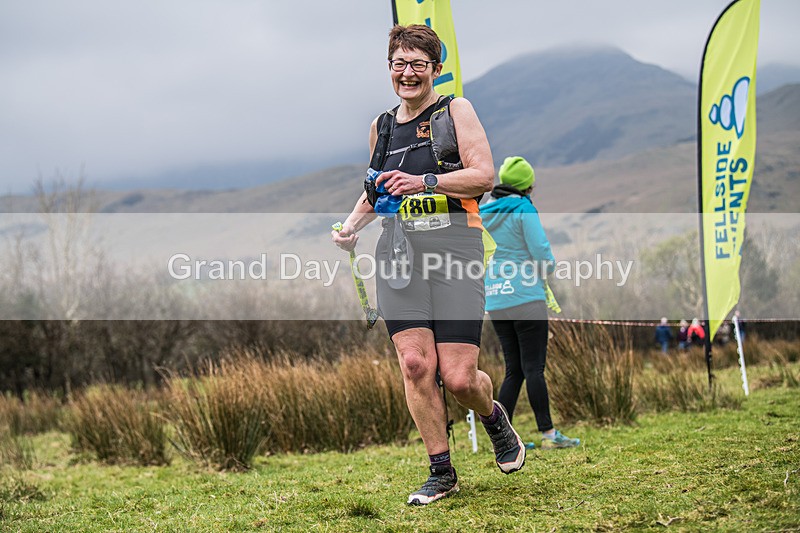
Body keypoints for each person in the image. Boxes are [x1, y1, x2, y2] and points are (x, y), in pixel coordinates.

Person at [331, 24, 525, 506]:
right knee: (416, 364)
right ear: (390, 69)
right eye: (399, 63)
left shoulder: (454, 110)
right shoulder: (381, 126)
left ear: (435, 70)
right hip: (397, 254)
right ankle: (441, 470)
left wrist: (426, 183)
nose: (408, 73)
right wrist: (352, 225)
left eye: (419, 64)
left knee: (460, 378)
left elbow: (483, 176)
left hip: (456, 249)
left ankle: (494, 417)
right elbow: (378, 189)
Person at [480, 156, 580, 451]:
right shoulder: (524, 208)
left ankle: (503, 435)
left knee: (514, 370)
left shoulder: (483, 212)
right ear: (527, 186)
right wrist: (548, 269)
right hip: (526, 296)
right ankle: (549, 434)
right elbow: (540, 250)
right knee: (534, 368)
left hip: (496, 298)